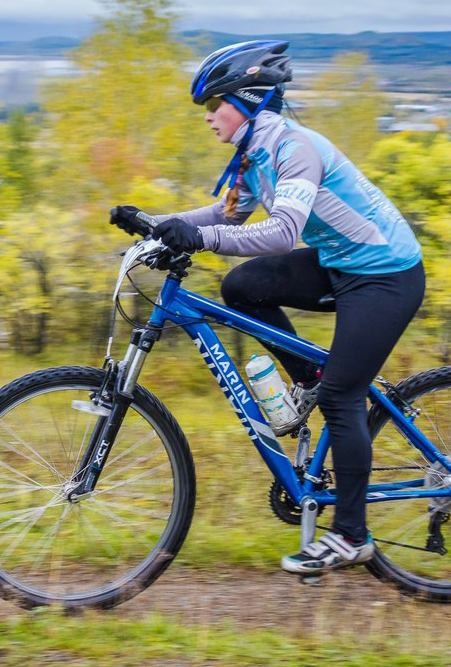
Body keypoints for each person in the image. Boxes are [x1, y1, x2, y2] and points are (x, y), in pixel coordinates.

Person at [110, 40, 425, 575]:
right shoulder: (253, 156)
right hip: (340, 263)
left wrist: (198, 237)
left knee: (343, 398)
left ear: (248, 100)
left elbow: (283, 232)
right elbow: (226, 215)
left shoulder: (293, 149)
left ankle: (351, 536)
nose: (209, 118)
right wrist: (159, 224)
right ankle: (309, 377)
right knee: (243, 287)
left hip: (385, 275)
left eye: (215, 105)